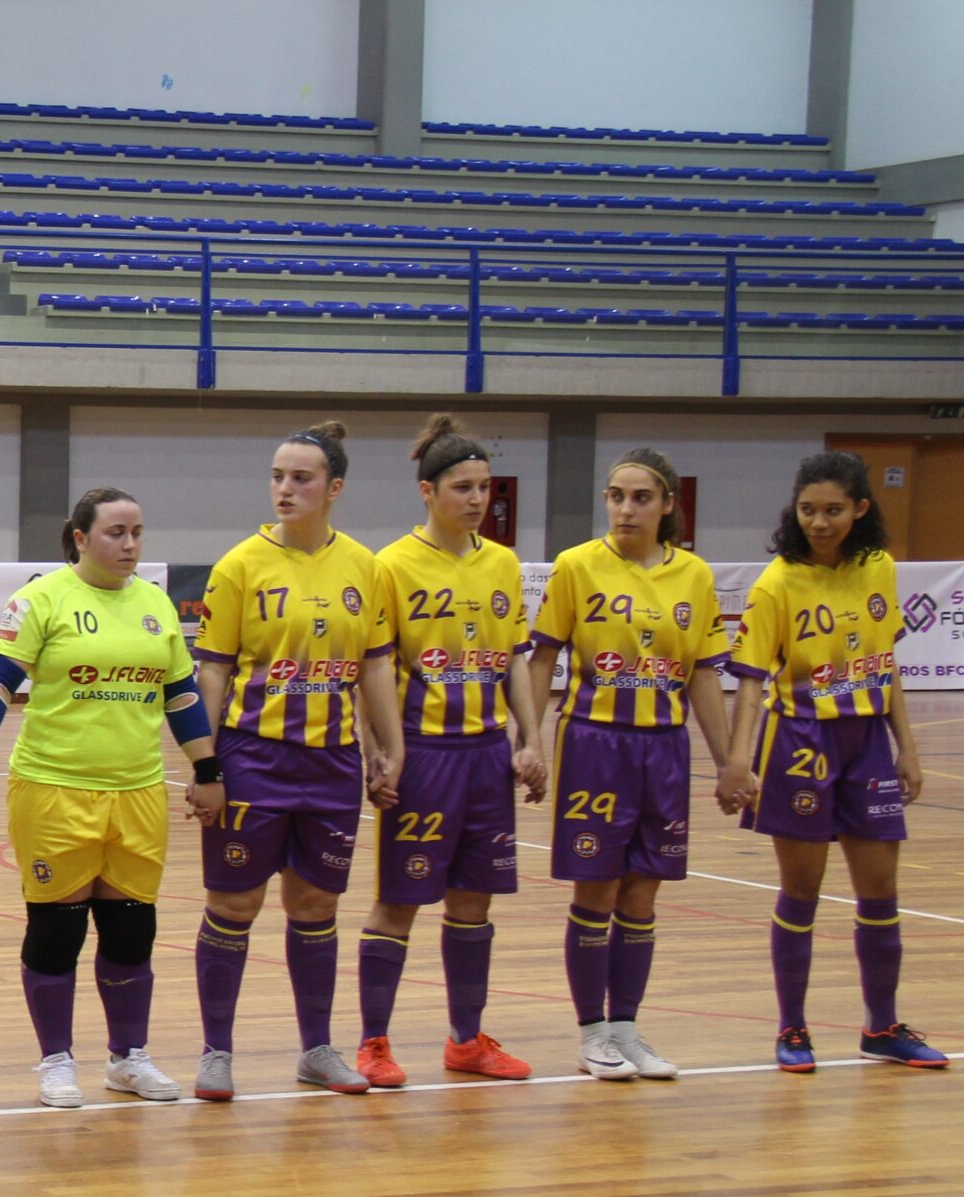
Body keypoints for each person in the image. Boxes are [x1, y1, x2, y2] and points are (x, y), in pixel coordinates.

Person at [0, 487, 222, 1108]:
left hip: (138, 792)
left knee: (132, 931)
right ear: (80, 537)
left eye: (137, 534)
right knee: (58, 930)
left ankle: (129, 1058)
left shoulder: (154, 604)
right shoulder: (42, 601)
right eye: (115, 533)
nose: (129, 545)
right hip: (54, 789)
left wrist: (208, 769)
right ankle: (56, 1061)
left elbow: (180, 696)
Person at [188, 421, 402, 1101]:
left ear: (334, 488)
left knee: (315, 903)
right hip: (253, 756)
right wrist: (206, 766)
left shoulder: (365, 568)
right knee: (236, 902)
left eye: (301, 478)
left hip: (332, 762)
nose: (285, 488)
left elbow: (374, 668)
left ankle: (316, 1047)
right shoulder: (240, 565)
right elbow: (213, 673)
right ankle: (216, 1050)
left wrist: (385, 747)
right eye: (278, 476)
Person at [716, 451, 944, 1071]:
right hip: (800, 744)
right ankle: (793, 1030)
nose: (819, 522)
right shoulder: (777, 583)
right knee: (802, 892)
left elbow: (887, 664)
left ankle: (882, 1026)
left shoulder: (878, 569)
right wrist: (738, 762)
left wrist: (908, 748)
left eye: (833, 510)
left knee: (881, 892)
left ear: (860, 509)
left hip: (866, 741)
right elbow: (752, 680)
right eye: (809, 510)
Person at [351, 415, 547, 1089]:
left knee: (473, 904)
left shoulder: (502, 564)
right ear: (428, 492)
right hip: (424, 755)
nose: (476, 498)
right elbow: (371, 670)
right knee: (398, 902)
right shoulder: (390, 566)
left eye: (485, 486)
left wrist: (532, 738)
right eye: (462, 486)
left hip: (486, 756)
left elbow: (516, 660)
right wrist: (378, 752)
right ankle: (373, 1041)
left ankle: (467, 1039)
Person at [529, 447, 733, 1081]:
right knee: (598, 888)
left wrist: (729, 763)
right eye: (615, 496)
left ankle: (627, 1028)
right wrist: (528, 740)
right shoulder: (576, 567)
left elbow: (702, 674)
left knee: (642, 893)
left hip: (664, 748)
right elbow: (542, 659)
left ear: (668, 505)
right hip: (596, 743)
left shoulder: (694, 577)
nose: (624, 508)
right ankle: (592, 1031)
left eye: (640, 497)